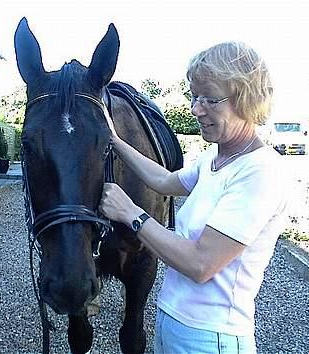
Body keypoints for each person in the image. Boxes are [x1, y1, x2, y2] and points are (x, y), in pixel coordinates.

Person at [99, 41, 290, 354]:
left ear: (247, 100)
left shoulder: (260, 172)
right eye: (194, 96)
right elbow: (163, 180)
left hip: (210, 338)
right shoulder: (216, 157)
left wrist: (130, 213)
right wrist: (115, 141)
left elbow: (201, 263)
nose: (196, 109)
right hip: (174, 323)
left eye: (210, 99)